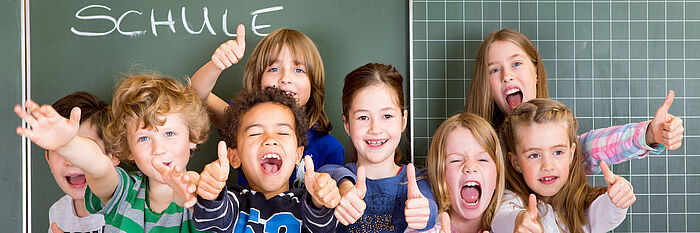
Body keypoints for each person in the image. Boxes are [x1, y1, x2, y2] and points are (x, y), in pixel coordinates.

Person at [465, 29, 684, 174]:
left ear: (536, 73)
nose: (507, 76)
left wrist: (648, 134)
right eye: (494, 70)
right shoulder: (477, 144)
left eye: (516, 64)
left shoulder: (559, 135)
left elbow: (591, 147)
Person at [16, 73, 210, 232]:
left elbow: (198, 202)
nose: (158, 149)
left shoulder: (208, 196)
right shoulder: (124, 193)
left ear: (193, 137)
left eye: (169, 133)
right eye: (143, 138)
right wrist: (68, 145)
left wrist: (197, 193)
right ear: (129, 149)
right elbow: (98, 167)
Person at [158, 87, 339, 232]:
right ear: (234, 157)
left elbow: (323, 226)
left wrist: (319, 200)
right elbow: (213, 218)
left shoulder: (306, 204)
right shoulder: (234, 203)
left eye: (282, 132)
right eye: (255, 133)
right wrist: (212, 194)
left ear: (299, 155)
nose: (270, 139)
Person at [189, 25, 344, 188]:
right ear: (258, 81)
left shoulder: (329, 147)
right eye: (274, 69)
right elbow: (194, 95)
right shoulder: (244, 122)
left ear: (313, 83)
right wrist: (216, 66)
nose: (285, 78)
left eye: (298, 70)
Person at [321, 63, 438, 232]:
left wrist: (427, 212)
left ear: (403, 120)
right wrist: (343, 185)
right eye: (363, 117)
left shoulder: (419, 181)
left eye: (387, 116)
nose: (375, 129)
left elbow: (428, 206)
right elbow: (328, 173)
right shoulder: (336, 180)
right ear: (347, 125)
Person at [493, 99, 635, 233]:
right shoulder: (511, 201)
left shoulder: (582, 207)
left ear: (571, 155)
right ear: (516, 163)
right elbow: (501, 219)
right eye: (534, 155)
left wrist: (617, 198)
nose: (547, 166)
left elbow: (605, 215)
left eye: (558, 152)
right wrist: (518, 220)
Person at [412, 113, 505, 233]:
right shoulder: (423, 229)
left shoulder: (509, 225)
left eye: (482, 159)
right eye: (456, 160)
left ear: (497, 178)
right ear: (440, 176)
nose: (470, 167)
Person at [45, 92, 119, 233]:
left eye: (84, 147)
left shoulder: (129, 203)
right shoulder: (58, 213)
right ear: (48, 159)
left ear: (113, 155)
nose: (72, 160)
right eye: (61, 149)